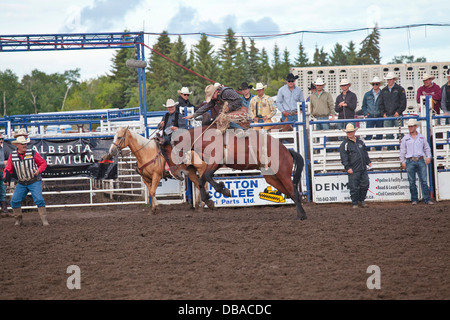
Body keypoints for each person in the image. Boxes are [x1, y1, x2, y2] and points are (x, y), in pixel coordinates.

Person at [3, 134, 49, 226]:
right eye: (22, 144)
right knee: (14, 201)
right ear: (17, 145)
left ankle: (44, 220)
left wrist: (38, 170)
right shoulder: (13, 156)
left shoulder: (32, 153)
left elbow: (43, 163)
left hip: (34, 180)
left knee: (39, 199)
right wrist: (5, 178)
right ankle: (18, 219)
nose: (25, 145)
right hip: (22, 182)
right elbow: (8, 169)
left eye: (25, 143)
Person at [184, 82, 249, 133]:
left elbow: (239, 100)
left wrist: (229, 107)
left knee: (222, 119)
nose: (211, 98)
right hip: (229, 113)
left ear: (216, 92)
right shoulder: (215, 98)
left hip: (240, 110)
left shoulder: (226, 92)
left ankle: (243, 130)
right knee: (216, 120)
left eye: (211, 96)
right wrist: (194, 115)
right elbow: (206, 107)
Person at [399, 118, 433, 205]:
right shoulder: (405, 138)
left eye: (412, 126)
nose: (410, 128)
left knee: (424, 181)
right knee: (412, 181)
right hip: (410, 161)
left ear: (415, 126)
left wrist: (429, 156)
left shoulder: (421, 137)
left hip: (420, 159)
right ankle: (415, 199)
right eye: (409, 126)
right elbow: (402, 151)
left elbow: (426, 148)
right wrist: (402, 161)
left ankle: (426, 199)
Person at [339, 123, 372, 209]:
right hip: (353, 169)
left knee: (365, 184)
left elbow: (365, 153)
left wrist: (368, 161)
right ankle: (355, 202)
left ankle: (362, 200)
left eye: (351, 131)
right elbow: (344, 157)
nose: (350, 133)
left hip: (362, 167)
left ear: (354, 132)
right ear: (346, 133)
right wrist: (347, 167)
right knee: (354, 187)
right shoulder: (344, 144)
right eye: (348, 132)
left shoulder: (360, 142)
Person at [379, 71, 407, 150]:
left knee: (400, 134)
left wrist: (398, 111)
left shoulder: (400, 89)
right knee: (389, 134)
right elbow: (381, 103)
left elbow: (403, 102)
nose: (389, 81)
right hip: (387, 115)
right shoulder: (384, 90)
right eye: (388, 79)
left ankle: (400, 150)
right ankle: (390, 150)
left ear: (394, 79)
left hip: (397, 114)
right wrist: (383, 113)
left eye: (390, 79)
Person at [362, 76, 384, 144]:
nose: (375, 85)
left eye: (376, 84)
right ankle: (367, 150)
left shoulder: (383, 94)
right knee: (368, 134)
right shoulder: (367, 94)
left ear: (379, 84)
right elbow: (364, 105)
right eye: (373, 84)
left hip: (379, 116)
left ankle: (378, 150)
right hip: (370, 116)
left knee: (379, 135)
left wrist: (383, 113)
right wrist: (366, 113)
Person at [0, 132, 11, 217]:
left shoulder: (2, 148)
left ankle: (4, 210)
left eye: (2, 139)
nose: (1, 141)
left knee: (3, 191)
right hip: (2, 169)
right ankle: (4, 210)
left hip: (2, 171)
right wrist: (3, 163)